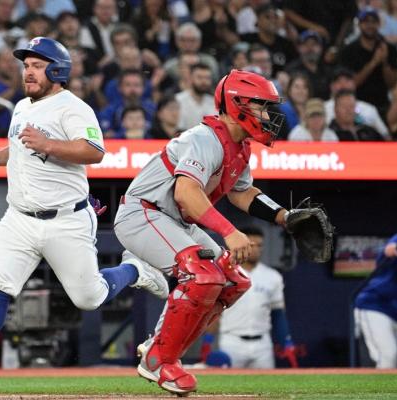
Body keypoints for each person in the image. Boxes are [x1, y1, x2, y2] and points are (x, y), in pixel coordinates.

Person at [0, 37, 168, 393]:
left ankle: (135, 269)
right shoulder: (22, 107)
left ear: (57, 70)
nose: (28, 71)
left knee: (88, 298)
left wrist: (49, 144)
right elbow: (19, 148)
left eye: (37, 65)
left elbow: (94, 151)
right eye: (26, 65)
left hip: (67, 218)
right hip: (20, 217)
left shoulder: (73, 107)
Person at [114, 69, 295, 395]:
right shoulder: (204, 137)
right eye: (261, 106)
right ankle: (159, 361)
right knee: (201, 274)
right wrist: (229, 232)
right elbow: (186, 193)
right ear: (238, 104)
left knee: (232, 280)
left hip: (171, 219)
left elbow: (242, 192)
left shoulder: (239, 146)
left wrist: (283, 216)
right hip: (143, 212)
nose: (268, 115)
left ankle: (160, 347)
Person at [205, 226, 296, 368]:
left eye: (260, 245)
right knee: (229, 388)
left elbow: (278, 313)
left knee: (268, 388)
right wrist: (207, 340)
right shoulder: (225, 273)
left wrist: (285, 341)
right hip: (232, 341)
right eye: (252, 245)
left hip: (262, 344)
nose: (257, 249)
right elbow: (216, 311)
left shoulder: (273, 276)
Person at [354, 208, 397, 368]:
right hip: (377, 307)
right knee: (388, 355)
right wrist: (388, 251)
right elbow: (385, 254)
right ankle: (380, 394)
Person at [338, 8, 397, 115]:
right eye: (366, 22)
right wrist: (374, 62)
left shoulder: (389, 49)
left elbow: (392, 84)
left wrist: (384, 61)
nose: (370, 25)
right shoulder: (348, 51)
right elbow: (351, 84)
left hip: (383, 104)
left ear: (379, 24)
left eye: (373, 21)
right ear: (359, 24)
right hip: (357, 105)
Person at [323, 68, 389, 138]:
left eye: (347, 80)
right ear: (331, 86)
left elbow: (385, 135)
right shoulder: (323, 108)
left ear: (354, 84)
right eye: (338, 81)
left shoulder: (369, 109)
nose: (343, 85)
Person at [174, 63, 215, 131]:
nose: (204, 81)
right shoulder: (178, 100)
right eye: (199, 77)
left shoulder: (214, 103)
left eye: (207, 78)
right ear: (190, 78)